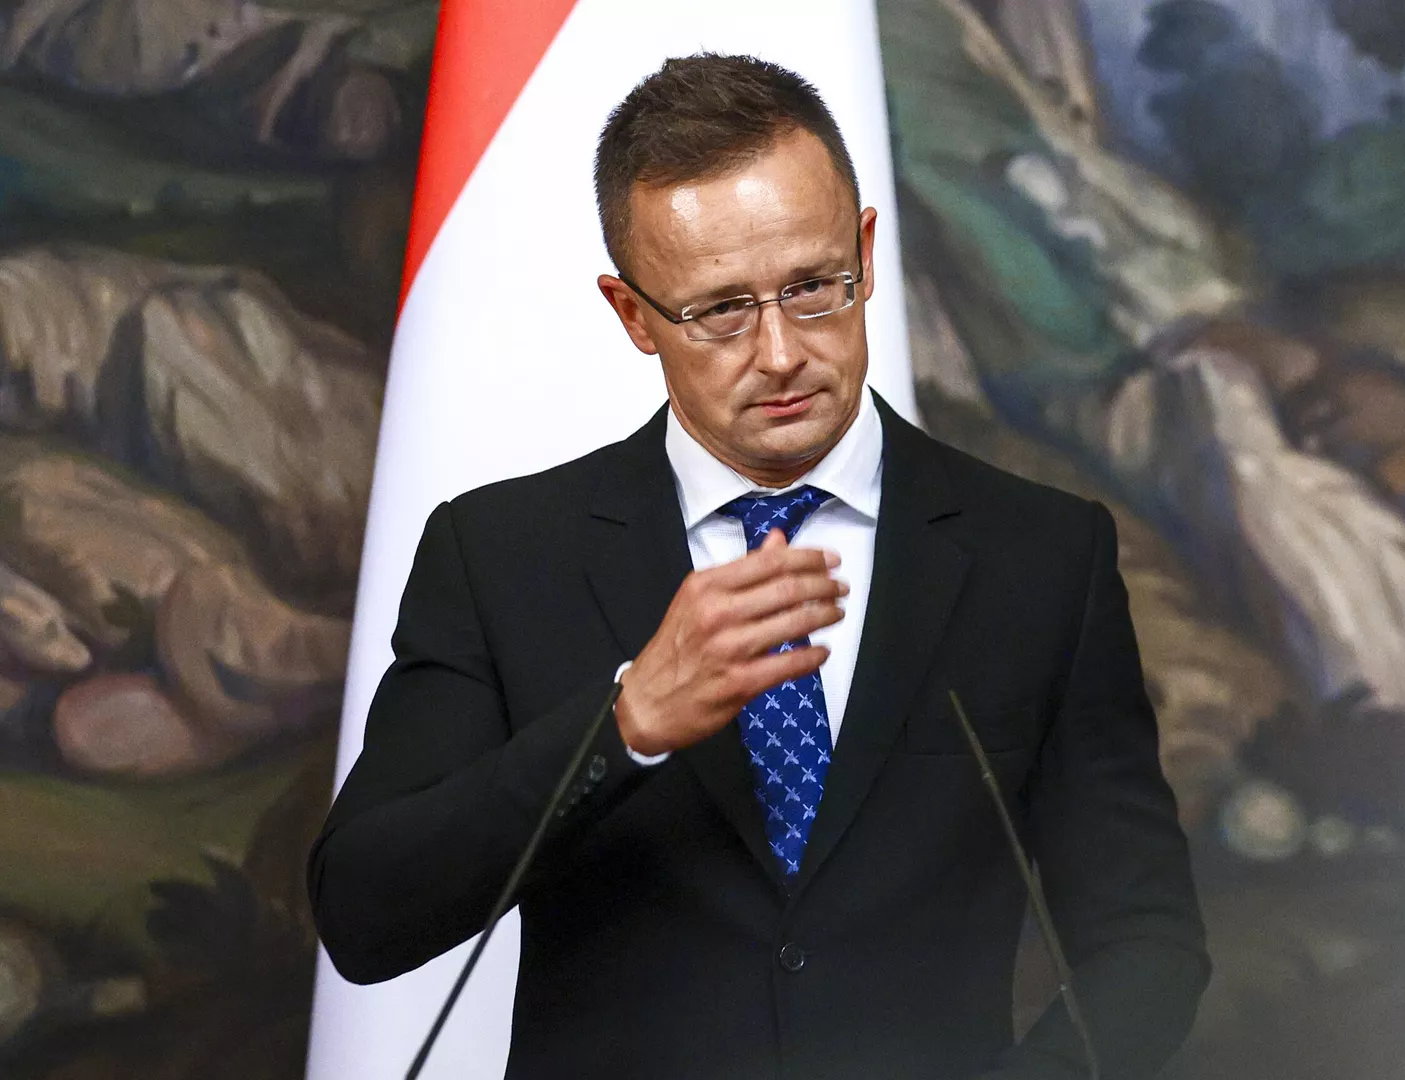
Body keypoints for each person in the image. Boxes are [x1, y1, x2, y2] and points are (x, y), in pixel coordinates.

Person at [306, 54, 1208, 1080]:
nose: (780, 352)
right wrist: (623, 725)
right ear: (633, 314)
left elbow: (1146, 943)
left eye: (813, 287)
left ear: (865, 252)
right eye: (722, 311)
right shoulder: (503, 554)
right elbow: (365, 916)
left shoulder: (1041, 555)